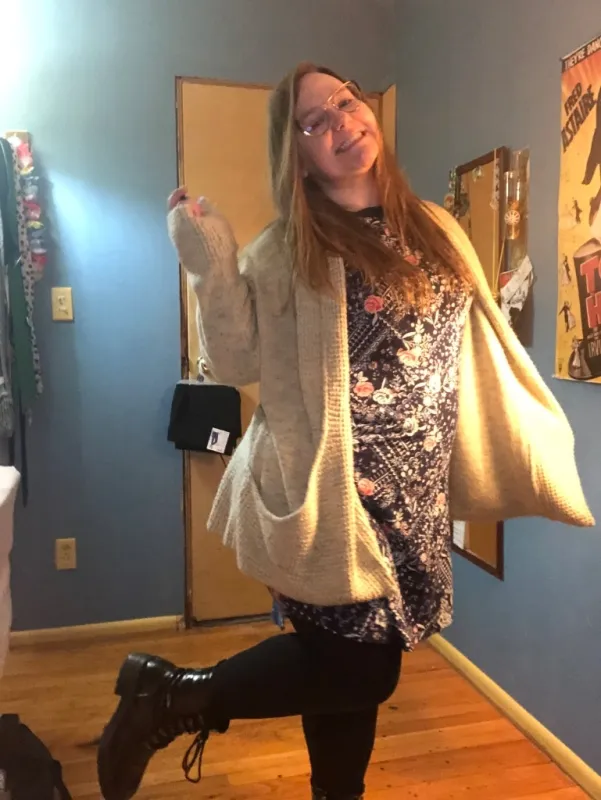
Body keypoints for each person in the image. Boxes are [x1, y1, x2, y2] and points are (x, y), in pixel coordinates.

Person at [97, 63, 593, 800]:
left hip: (414, 493)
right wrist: (210, 266)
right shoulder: (286, 248)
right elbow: (234, 362)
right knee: (361, 668)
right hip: (334, 495)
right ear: (296, 154)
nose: (340, 122)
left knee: (343, 671)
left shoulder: (438, 226)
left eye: (345, 102)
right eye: (314, 121)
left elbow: (477, 342)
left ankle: (334, 792)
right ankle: (171, 696)